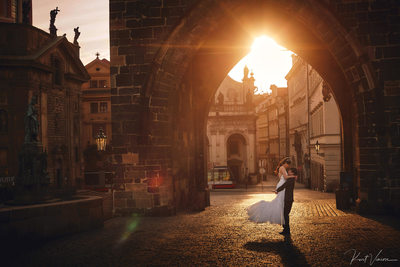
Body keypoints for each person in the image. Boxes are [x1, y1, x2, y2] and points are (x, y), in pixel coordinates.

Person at [246, 157, 296, 225]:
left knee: (280, 202)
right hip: (282, 185)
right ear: (286, 163)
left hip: (282, 184)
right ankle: (283, 220)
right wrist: (292, 176)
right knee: (279, 202)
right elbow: (285, 177)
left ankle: (284, 221)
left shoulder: (282, 168)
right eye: (288, 165)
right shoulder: (282, 168)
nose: (288, 166)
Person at [275, 167, 298, 235]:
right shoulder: (291, 178)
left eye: (290, 171)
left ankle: (287, 230)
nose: (288, 172)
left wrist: (277, 190)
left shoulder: (291, 179)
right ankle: (286, 229)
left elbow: (284, 185)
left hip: (288, 199)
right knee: (285, 214)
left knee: (285, 214)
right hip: (288, 199)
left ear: (292, 172)